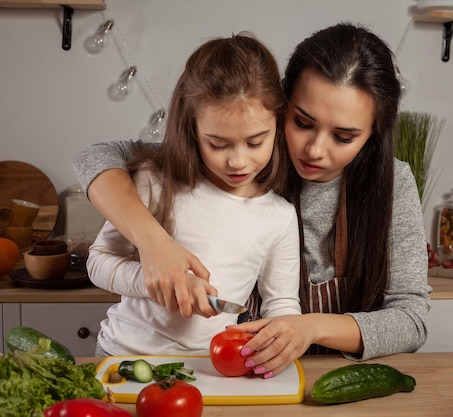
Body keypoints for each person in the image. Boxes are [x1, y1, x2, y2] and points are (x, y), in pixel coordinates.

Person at [73, 23, 431, 378]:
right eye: (302, 122)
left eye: (343, 136)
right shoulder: (224, 155)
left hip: (325, 374)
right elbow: (97, 156)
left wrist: (307, 328)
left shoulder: (390, 184)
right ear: (279, 107)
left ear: (372, 134)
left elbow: (410, 321)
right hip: (231, 370)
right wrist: (153, 244)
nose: (315, 150)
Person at [84, 33, 301, 358]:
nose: (238, 161)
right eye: (218, 144)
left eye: (255, 142)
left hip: (211, 365)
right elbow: (98, 260)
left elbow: (281, 303)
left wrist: (283, 340)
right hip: (122, 354)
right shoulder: (152, 182)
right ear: (191, 129)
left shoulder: (279, 217)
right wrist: (153, 280)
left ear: (278, 124)